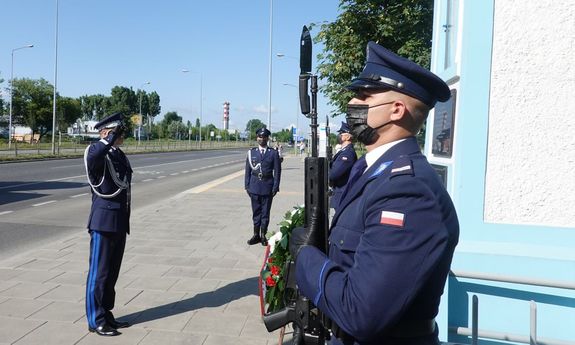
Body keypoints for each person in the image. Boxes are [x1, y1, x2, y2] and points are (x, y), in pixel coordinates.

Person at [289, 42, 460, 344]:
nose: (352, 103)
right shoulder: (373, 171)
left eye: (364, 96)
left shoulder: (407, 191)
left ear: (396, 110)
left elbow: (361, 312)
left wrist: (305, 257)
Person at [83, 112, 132, 337]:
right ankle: (96, 320)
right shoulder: (95, 151)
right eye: (116, 132)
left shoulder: (117, 154)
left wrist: (113, 142)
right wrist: (108, 139)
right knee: (99, 273)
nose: (121, 135)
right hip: (103, 222)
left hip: (119, 221)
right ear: (105, 132)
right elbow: (94, 160)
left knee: (112, 274)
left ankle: (107, 313)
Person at [245, 127, 282, 246]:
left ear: (267, 138)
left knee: (265, 212)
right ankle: (255, 234)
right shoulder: (252, 153)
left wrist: (275, 187)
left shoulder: (273, 153)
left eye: (264, 137)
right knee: (256, 212)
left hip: (267, 186)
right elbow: (247, 170)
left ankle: (263, 235)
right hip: (254, 186)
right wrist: (247, 185)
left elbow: (277, 171)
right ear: (257, 138)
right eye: (260, 137)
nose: (262, 139)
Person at [328, 121, 357, 211]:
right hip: (340, 192)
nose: (339, 135)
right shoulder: (344, 151)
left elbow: (334, 174)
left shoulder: (347, 154)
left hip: (342, 193)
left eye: (341, 133)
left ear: (348, 136)